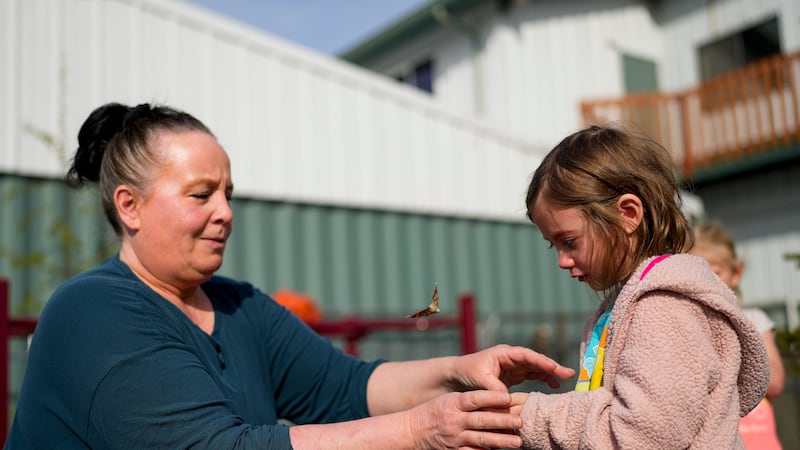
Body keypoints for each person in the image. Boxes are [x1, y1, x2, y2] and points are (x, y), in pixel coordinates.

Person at [6, 102, 575, 449]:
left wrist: (457, 373)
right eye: (200, 194)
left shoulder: (239, 306)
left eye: (228, 193)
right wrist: (416, 431)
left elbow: (348, 389)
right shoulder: (93, 312)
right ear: (128, 207)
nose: (225, 212)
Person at [513, 124, 771, 448]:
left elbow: (644, 434)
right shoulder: (629, 304)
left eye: (569, 241)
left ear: (628, 214)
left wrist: (536, 416)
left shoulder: (665, 306)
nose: (562, 261)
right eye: (554, 246)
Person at [690, 221, 785, 449]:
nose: (705, 281)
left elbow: (776, 382)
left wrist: (728, 358)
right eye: (695, 272)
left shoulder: (754, 319)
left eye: (714, 272)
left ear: (736, 272)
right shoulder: (691, 325)